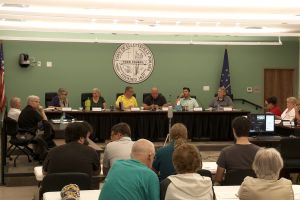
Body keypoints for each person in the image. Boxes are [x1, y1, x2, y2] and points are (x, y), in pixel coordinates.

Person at [215, 116, 260, 185]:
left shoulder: (225, 152)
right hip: (253, 190)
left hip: (229, 191)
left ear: (234, 130)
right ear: (249, 129)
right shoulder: (260, 151)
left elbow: (218, 178)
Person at [18, 95, 54, 159]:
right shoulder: (32, 111)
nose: (39, 104)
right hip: (28, 134)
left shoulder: (27, 109)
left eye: (39, 102)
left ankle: (38, 153)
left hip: (24, 132)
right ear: (30, 102)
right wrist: (42, 111)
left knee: (44, 130)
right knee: (48, 130)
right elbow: (45, 121)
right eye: (37, 102)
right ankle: (45, 154)